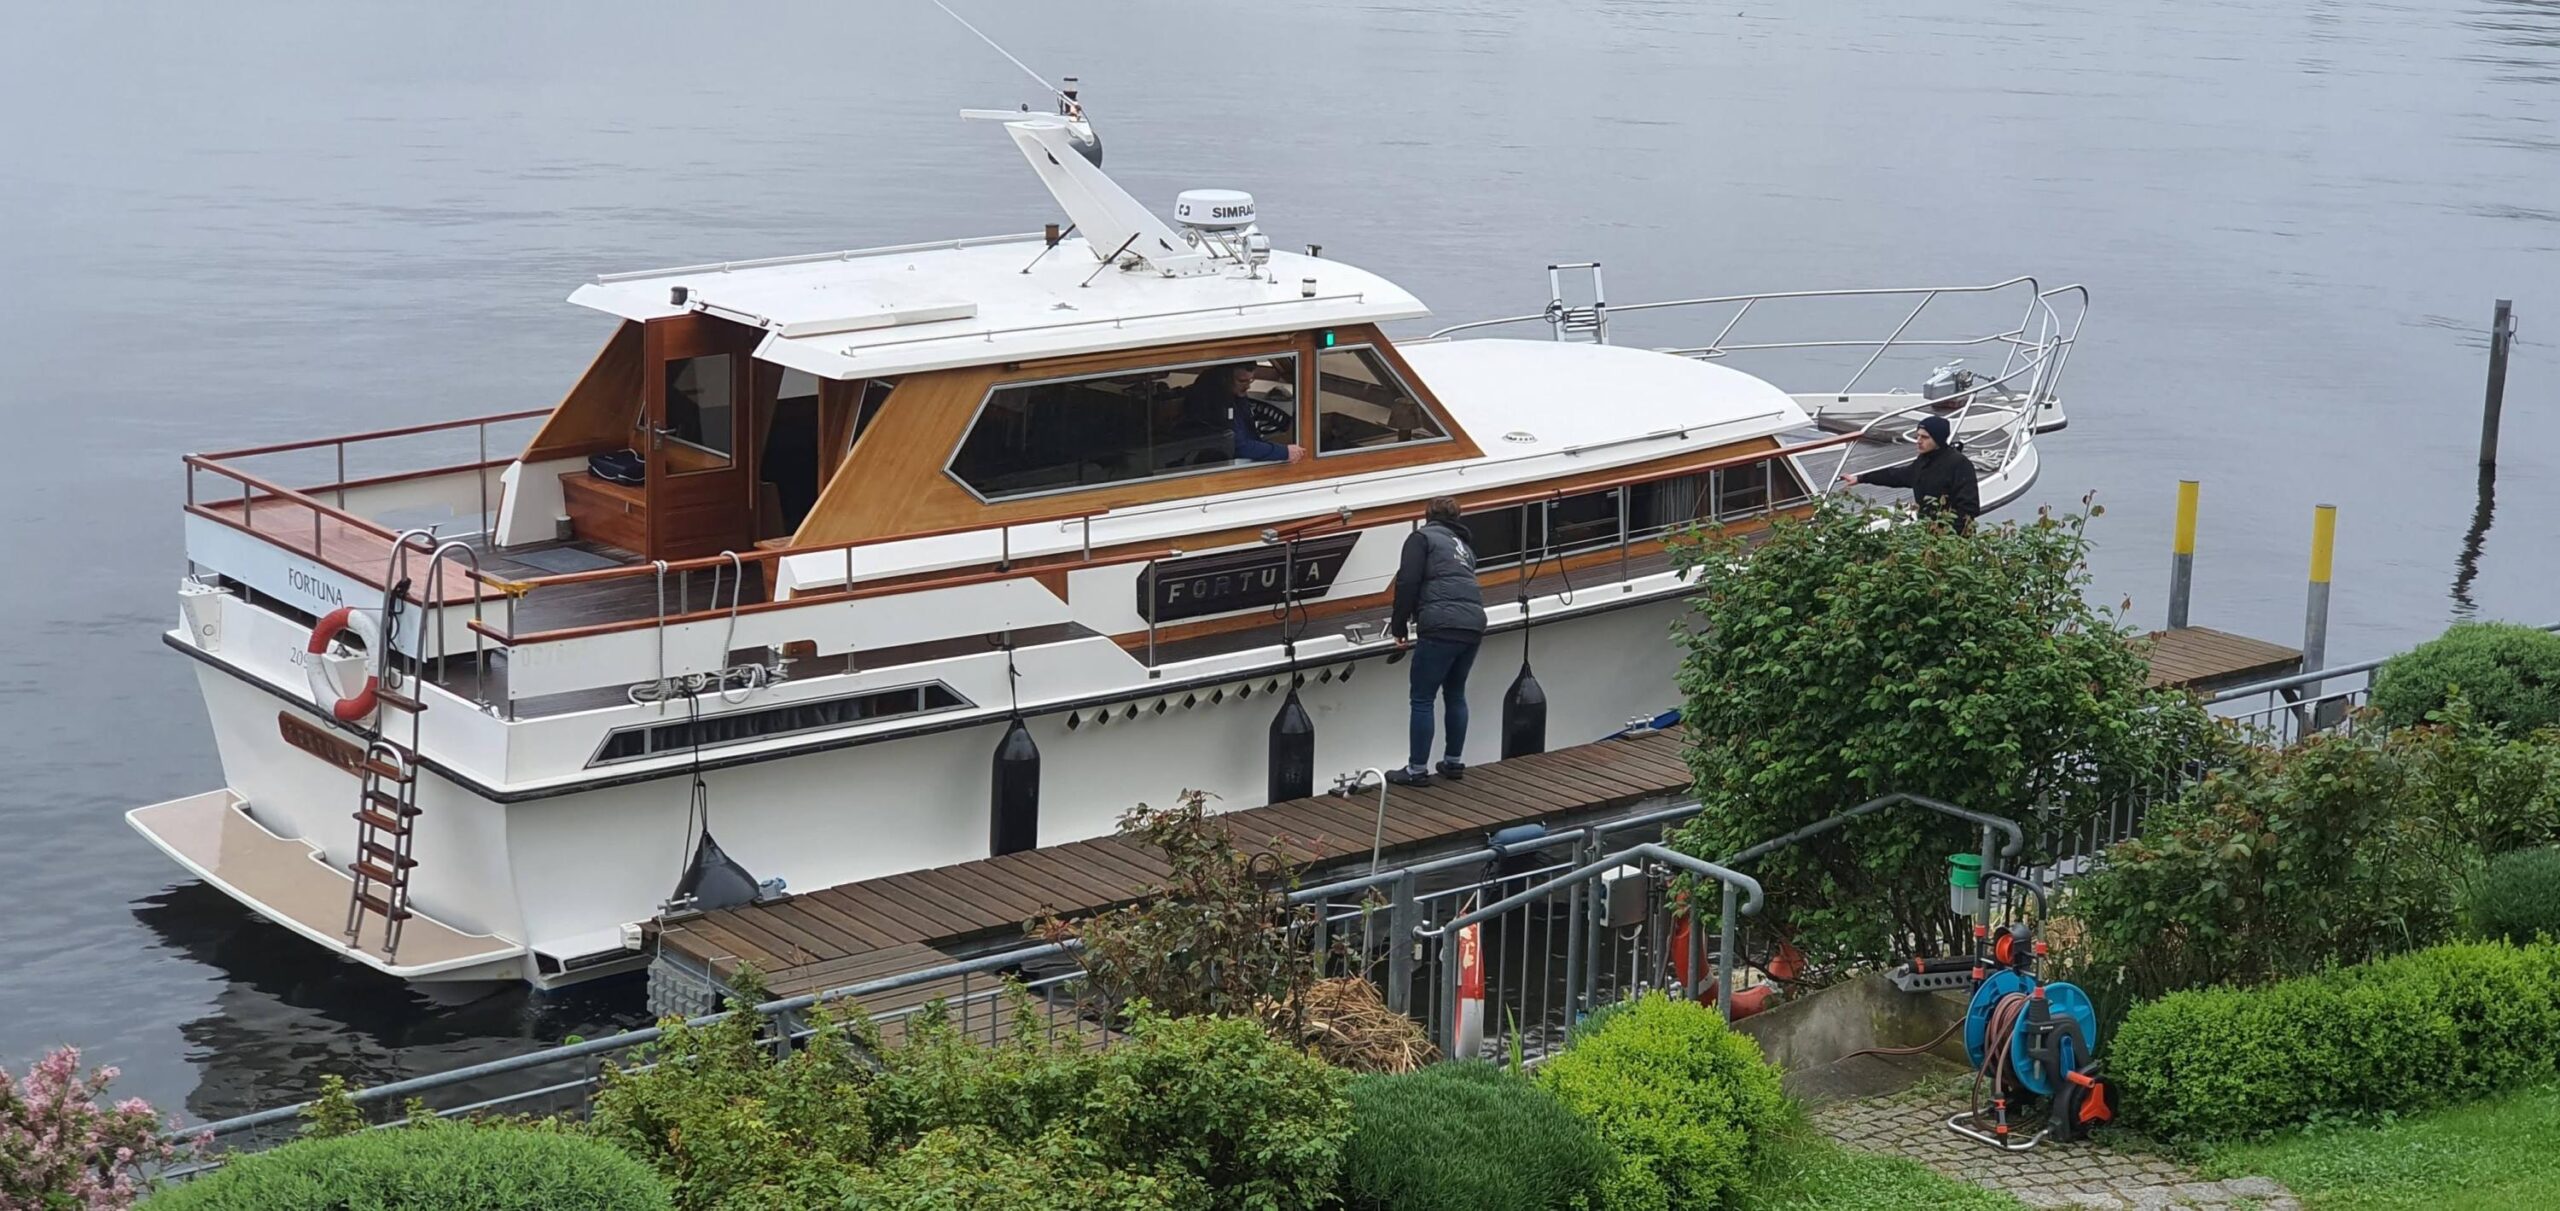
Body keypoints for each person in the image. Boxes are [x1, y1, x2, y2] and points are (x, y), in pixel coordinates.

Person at [1386, 497, 1487, 786]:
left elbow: (1407, 581)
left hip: (1440, 625)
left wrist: (1399, 625)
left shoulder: (1421, 539)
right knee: (1455, 693)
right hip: (1473, 624)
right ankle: (1453, 762)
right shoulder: (1463, 546)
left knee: (1422, 698)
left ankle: (1417, 770)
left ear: (1427, 515)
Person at [1842, 414, 1981, 533]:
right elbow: (1896, 476)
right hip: (1927, 531)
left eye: (1925, 437)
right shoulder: (1923, 460)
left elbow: (1969, 507)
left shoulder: (1959, 464)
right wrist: (1861, 478)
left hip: (1952, 537)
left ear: (1938, 439)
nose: (1918, 441)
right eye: (1917, 436)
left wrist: (1948, 534)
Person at [1183, 364, 1305, 463]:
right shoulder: (1215, 404)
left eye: (1250, 381)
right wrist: (1284, 452)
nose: (1247, 387)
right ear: (1225, 379)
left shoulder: (1236, 397)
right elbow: (1239, 447)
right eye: (1242, 381)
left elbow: (1250, 436)